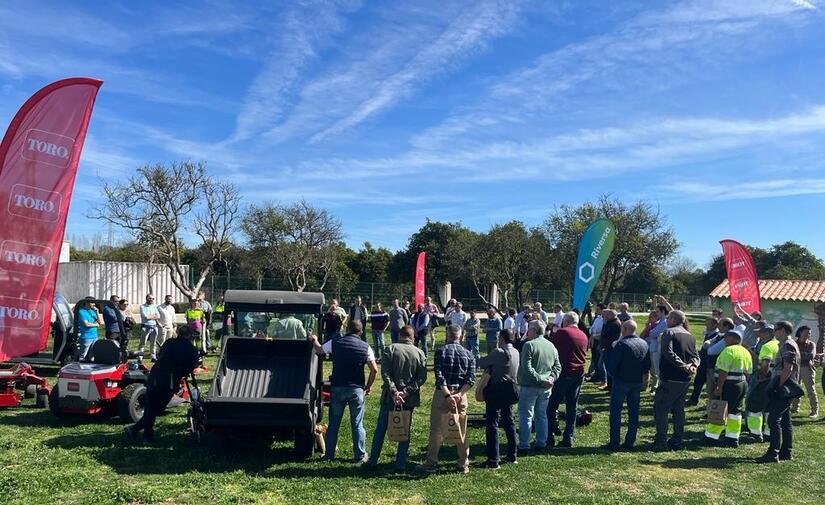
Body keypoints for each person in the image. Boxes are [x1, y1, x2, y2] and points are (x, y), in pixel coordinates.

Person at [310, 321, 378, 463]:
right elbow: (374, 369)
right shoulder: (366, 347)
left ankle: (329, 454)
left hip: (338, 387)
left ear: (347, 329)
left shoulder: (336, 342)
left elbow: (319, 350)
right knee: (357, 423)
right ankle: (360, 454)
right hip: (357, 389)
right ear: (360, 332)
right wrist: (368, 386)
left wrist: (315, 340)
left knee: (334, 423)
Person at [124, 325, 200, 445]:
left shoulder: (169, 342)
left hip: (154, 376)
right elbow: (189, 368)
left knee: (150, 407)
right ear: (190, 336)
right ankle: (142, 434)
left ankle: (138, 431)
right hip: (168, 380)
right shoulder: (192, 349)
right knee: (156, 409)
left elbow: (160, 355)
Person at [365, 325, 427, 472]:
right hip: (408, 399)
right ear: (413, 337)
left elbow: (385, 373)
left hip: (389, 397)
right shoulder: (420, 353)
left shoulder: (390, 349)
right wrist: (405, 392)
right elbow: (422, 377)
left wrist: (394, 392)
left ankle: (373, 460)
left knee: (381, 428)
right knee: (405, 430)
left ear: (400, 335)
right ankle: (400, 463)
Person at [418, 324, 475, 474]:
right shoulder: (469, 354)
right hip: (461, 396)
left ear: (447, 335)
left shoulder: (440, 351)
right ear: (461, 336)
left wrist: (447, 394)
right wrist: (459, 394)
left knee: (436, 430)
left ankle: (431, 462)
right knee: (461, 429)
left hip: (442, 395)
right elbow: (471, 379)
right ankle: (463, 463)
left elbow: (439, 375)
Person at [652, 310, 699, 451]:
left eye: (668, 318)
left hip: (670, 377)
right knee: (679, 409)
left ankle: (661, 441)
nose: (666, 320)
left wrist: (683, 366)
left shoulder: (669, 332)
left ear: (672, 319)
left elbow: (667, 352)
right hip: (685, 379)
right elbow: (696, 355)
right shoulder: (689, 335)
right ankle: (677, 440)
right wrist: (693, 365)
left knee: (661, 408)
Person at [757, 321, 801, 463]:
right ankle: (786, 452)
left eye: (776, 330)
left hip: (784, 387)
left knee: (773, 419)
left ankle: (773, 453)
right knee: (785, 421)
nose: (774, 332)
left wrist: (778, 385)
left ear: (782, 330)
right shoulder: (786, 344)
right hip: (786, 386)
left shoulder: (787, 344)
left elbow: (788, 367)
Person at [476, 329, 519, 468]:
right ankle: (512, 455)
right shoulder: (516, 352)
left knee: (492, 423)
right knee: (509, 421)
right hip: (509, 389)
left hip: (496, 389)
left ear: (501, 338)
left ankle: (493, 459)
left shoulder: (499, 352)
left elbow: (482, 363)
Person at [604, 320, 650, 451]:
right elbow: (647, 366)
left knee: (615, 412)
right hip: (636, 382)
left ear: (623, 330)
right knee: (633, 412)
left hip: (621, 381)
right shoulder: (644, 343)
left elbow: (612, 366)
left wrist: (615, 376)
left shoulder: (621, 344)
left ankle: (614, 442)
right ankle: (630, 441)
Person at [517, 319, 560, 453]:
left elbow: (527, 368)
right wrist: (551, 378)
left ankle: (524, 444)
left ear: (534, 331)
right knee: (541, 415)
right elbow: (557, 367)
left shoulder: (529, 345)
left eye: (529, 329)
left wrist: (542, 379)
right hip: (547, 387)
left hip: (530, 385)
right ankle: (542, 441)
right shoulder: (551, 345)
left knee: (526, 415)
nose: (527, 331)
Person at [547, 312, 589, 448]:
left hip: (563, 373)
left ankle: (550, 435)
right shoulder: (583, 335)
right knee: (572, 406)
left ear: (565, 321)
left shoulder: (562, 333)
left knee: (552, 405)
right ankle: (568, 437)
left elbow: (552, 350)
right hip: (578, 374)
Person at [704, 331, 752, 447]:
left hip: (729, 384)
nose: (724, 341)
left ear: (731, 338)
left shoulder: (728, 350)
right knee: (735, 412)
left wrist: (719, 387)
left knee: (720, 409)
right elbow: (748, 372)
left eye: (725, 338)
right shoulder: (745, 351)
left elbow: (723, 371)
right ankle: (732, 438)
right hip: (741, 383)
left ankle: (711, 437)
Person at [745, 324, 778, 440]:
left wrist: (761, 377)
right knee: (769, 407)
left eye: (763, 332)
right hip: (775, 377)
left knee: (755, 405)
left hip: (765, 378)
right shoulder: (778, 344)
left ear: (770, 333)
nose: (760, 334)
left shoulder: (767, 346)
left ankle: (755, 433)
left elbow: (765, 363)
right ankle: (768, 433)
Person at [688, 317, 720, 406]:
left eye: (708, 323)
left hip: (710, 364)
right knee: (698, 381)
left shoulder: (717, 335)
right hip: (703, 362)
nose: (706, 325)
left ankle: (714, 407)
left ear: (715, 325)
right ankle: (694, 399)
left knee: (711, 387)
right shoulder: (708, 334)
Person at [791, 326, 818, 419]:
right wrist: (802, 354)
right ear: (800, 332)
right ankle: (794, 408)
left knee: (810, 390)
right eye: (806, 332)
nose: (808, 335)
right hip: (795, 368)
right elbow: (791, 355)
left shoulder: (811, 344)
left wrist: (798, 354)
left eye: (809, 333)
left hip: (807, 368)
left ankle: (814, 410)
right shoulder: (794, 343)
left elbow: (811, 355)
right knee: (795, 388)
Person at [598, 309, 621, 391]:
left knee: (609, 368)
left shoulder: (614, 323)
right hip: (607, 347)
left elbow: (605, 334)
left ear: (613, 315)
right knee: (607, 367)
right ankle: (609, 385)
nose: (606, 316)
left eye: (608, 315)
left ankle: (611, 386)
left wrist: (604, 324)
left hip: (610, 348)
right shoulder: (611, 323)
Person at [138, 294, 161, 360]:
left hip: (154, 327)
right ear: (146, 298)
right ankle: (140, 357)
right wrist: (154, 316)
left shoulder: (154, 307)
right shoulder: (142, 306)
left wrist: (151, 316)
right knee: (142, 343)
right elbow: (145, 316)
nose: (151, 300)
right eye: (150, 298)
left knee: (153, 343)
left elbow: (158, 316)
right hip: (145, 327)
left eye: (153, 299)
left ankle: (153, 356)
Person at [586, 304, 605, 383]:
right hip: (593, 338)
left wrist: (594, 333)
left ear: (602, 310)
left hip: (598, 339)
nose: (596, 311)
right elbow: (592, 328)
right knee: (594, 358)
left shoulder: (603, 319)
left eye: (598, 309)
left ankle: (600, 376)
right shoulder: (597, 318)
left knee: (598, 359)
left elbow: (600, 330)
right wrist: (591, 332)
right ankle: (596, 375)